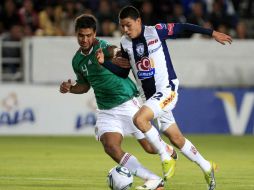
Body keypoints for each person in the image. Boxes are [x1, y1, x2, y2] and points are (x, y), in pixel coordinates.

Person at [98, 5, 232, 190]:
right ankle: (207, 166)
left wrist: (212, 32)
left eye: (128, 25)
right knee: (176, 138)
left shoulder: (156, 31)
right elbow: (123, 72)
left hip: (167, 90)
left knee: (139, 119)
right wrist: (105, 63)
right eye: (122, 26)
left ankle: (165, 155)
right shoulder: (125, 42)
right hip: (150, 99)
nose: (125, 30)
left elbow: (183, 27)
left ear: (138, 21)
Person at [59, 14, 177, 190]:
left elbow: (113, 49)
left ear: (94, 34)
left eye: (89, 35)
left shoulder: (101, 47)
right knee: (110, 146)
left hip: (127, 103)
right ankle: (153, 179)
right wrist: (70, 88)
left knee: (150, 149)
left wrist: (115, 54)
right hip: (106, 110)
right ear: (76, 34)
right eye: (81, 35)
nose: (85, 39)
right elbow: (84, 86)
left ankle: (166, 149)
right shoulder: (77, 61)